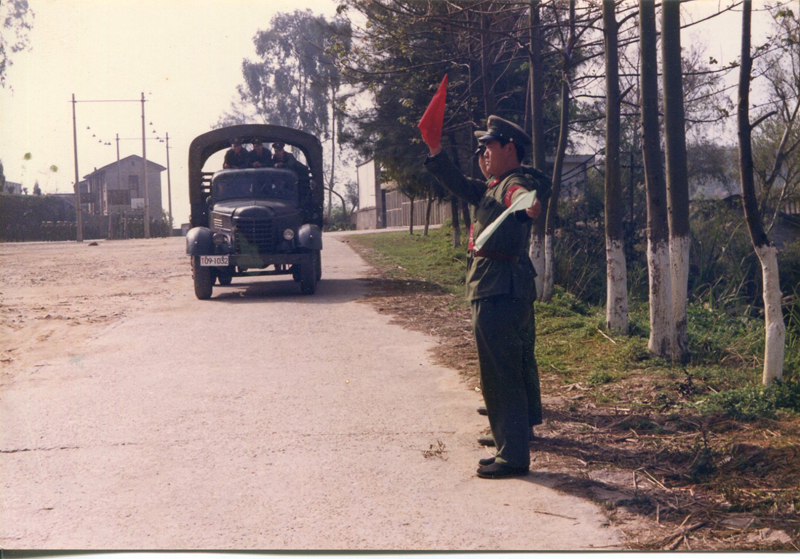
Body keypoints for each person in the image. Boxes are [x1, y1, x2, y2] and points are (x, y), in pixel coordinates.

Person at [423, 115, 549, 479]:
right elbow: (461, 184)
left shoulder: (513, 184)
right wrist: (435, 151)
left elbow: (522, 198)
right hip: (504, 285)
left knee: (501, 371)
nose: (483, 154)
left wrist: (529, 205)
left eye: (489, 147)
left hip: (498, 289)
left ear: (510, 149)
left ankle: (512, 455)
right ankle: (514, 434)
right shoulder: (495, 185)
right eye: (480, 149)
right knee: (514, 364)